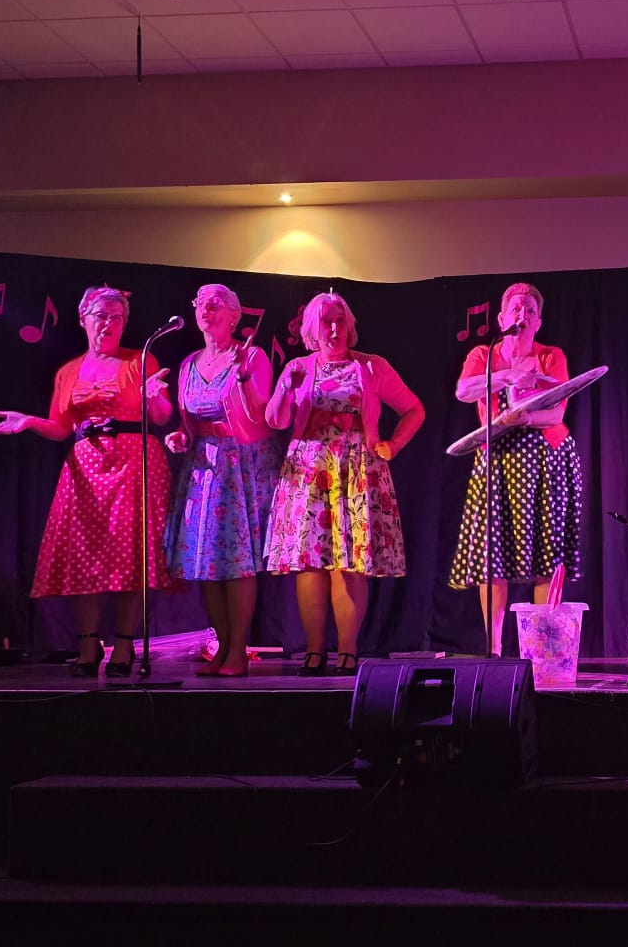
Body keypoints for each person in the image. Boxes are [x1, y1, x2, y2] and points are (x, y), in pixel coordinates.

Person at [0, 285, 176, 676]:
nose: (109, 323)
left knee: (130, 556)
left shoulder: (139, 360)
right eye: (101, 316)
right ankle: (89, 645)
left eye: (117, 318)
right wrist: (30, 422)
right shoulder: (69, 371)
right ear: (83, 320)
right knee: (83, 555)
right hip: (86, 465)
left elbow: (160, 416)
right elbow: (61, 427)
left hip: (134, 462)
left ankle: (123, 646)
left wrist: (155, 396)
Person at [263, 292, 424, 676]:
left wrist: (393, 445)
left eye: (340, 321)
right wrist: (286, 387)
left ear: (349, 326)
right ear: (312, 329)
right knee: (310, 564)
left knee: (349, 563)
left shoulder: (371, 366)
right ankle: (314, 651)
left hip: (356, 470)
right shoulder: (299, 367)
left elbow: (413, 409)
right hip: (309, 470)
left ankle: (348, 651)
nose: (334, 329)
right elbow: (275, 420)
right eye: (326, 322)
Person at [448, 282, 585, 655]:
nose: (522, 315)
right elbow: (464, 391)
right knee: (492, 556)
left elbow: (556, 411)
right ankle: (494, 649)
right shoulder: (484, 354)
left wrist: (522, 418)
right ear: (501, 318)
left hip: (546, 458)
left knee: (546, 554)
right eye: (516, 309)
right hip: (497, 460)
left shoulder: (550, 356)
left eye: (530, 311)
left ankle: (543, 651)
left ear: (538, 322)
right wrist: (507, 377)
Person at [162, 284, 277, 677]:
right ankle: (223, 647)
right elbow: (189, 422)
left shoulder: (252, 357)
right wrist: (181, 437)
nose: (205, 310)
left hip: (242, 465)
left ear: (234, 315)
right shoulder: (189, 363)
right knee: (207, 562)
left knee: (237, 560)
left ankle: (238, 651)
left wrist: (242, 376)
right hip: (203, 467)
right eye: (200, 303)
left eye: (215, 304)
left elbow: (261, 414)